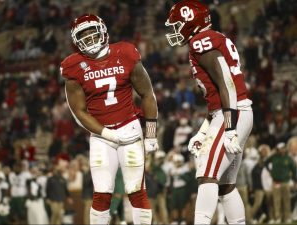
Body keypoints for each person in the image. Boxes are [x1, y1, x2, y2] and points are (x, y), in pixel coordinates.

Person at [60, 14, 158, 225]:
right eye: (83, 35)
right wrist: (107, 134)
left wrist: (150, 134)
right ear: (75, 40)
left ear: (103, 30)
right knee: (102, 193)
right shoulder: (73, 66)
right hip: (101, 135)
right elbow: (79, 112)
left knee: (136, 190)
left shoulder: (125, 52)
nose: (89, 38)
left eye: (91, 31)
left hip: (130, 129)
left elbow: (148, 94)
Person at [165, 1, 253, 224]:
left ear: (189, 22)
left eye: (177, 24)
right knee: (225, 186)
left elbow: (226, 82)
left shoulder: (200, 42)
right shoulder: (213, 38)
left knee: (207, 175)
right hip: (232, 112)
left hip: (232, 113)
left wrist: (230, 127)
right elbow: (217, 97)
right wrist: (203, 132)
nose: (174, 30)